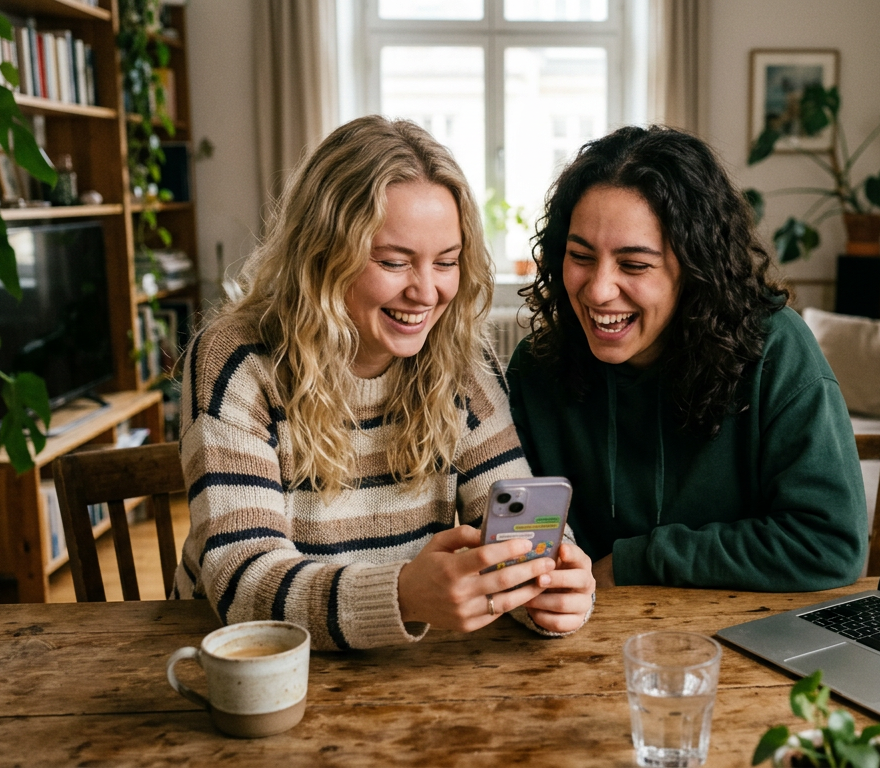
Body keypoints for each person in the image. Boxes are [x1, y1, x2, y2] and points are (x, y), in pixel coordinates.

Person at [173, 116, 594, 650]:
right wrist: (402, 595)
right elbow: (243, 582)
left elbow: (507, 511)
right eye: (394, 262)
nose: (426, 292)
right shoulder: (236, 360)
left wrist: (551, 585)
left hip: (411, 674)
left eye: (446, 262)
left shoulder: (462, 358)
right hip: (257, 668)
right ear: (321, 255)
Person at [505, 125, 868, 591]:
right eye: (580, 256)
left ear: (696, 269)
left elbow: (830, 545)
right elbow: (521, 546)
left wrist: (634, 562)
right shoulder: (538, 366)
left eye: (634, 264)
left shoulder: (775, 350)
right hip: (575, 636)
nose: (597, 290)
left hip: (732, 639)